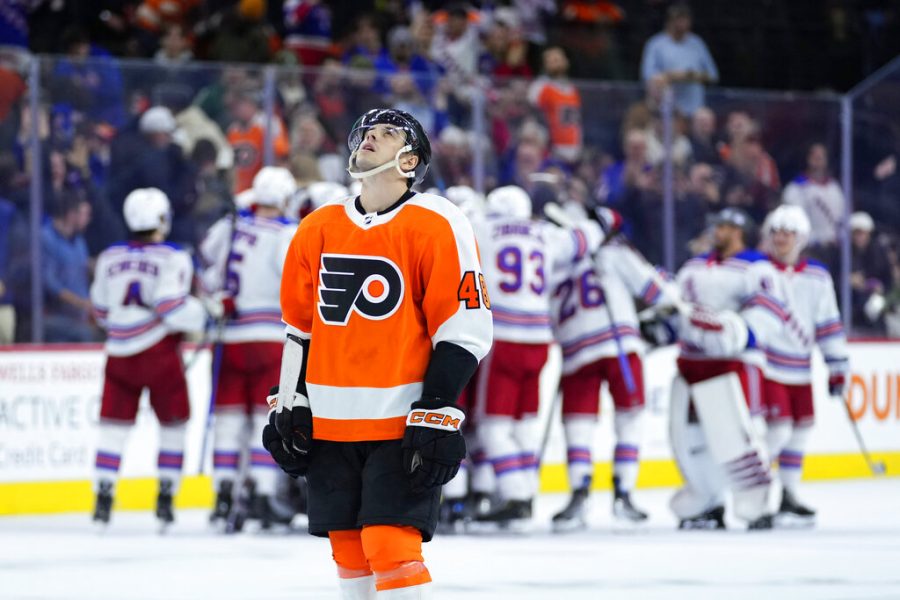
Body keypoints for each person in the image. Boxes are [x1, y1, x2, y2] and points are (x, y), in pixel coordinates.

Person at [262, 108, 493, 599]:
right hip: (330, 421)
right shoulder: (317, 226)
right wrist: (290, 401)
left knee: (390, 546)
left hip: (399, 420)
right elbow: (299, 330)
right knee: (347, 549)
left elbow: (464, 328)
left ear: (410, 161)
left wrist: (435, 410)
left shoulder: (437, 221)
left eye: (388, 134)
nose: (371, 137)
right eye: (368, 131)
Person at [469, 185, 609, 527]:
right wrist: (603, 220)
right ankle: (526, 489)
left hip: (501, 336)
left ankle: (516, 494)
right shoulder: (548, 235)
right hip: (539, 340)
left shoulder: (481, 228)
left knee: (493, 426)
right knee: (525, 422)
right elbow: (586, 237)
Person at [549, 208, 676, 530]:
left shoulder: (554, 261)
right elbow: (656, 292)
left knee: (578, 424)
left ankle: (579, 492)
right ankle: (624, 493)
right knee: (630, 419)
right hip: (619, 343)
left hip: (576, 349)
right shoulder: (615, 253)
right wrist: (658, 319)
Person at [89, 188, 208, 527]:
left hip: (118, 354)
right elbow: (171, 307)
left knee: (113, 429)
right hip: (159, 353)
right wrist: (205, 315)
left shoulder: (109, 256)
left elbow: (100, 310)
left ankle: (103, 496)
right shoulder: (174, 256)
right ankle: (166, 497)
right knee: (174, 425)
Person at [662, 207, 787, 530]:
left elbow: (770, 315)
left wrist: (733, 330)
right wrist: (662, 327)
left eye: (725, 226)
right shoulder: (691, 267)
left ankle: (754, 505)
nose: (717, 231)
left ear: (739, 230)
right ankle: (707, 499)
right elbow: (678, 312)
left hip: (733, 365)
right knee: (690, 437)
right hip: (691, 364)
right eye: (716, 225)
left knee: (739, 436)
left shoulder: (757, 268)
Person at [200, 166, 300, 529]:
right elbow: (298, 280)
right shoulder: (288, 233)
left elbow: (206, 266)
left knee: (227, 421)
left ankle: (223, 495)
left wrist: (218, 297)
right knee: (265, 417)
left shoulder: (229, 227)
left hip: (229, 337)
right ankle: (260, 495)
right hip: (271, 338)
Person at [759, 205, 848, 525]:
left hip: (800, 368)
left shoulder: (817, 277)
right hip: (767, 366)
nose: (781, 238)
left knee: (800, 430)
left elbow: (828, 322)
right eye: (776, 232)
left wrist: (837, 364)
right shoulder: (758, 271)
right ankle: (756, 496)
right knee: (777, 431)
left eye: (789, 232)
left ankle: (788, 495)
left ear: (802, 237)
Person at [639, 2, 718, 117]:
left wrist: (688, 76)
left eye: (685, 20)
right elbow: (647, 76)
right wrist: (670, 76)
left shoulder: (697, 43)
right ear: (669, 21)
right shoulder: (655, 44)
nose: (681, 24)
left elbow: (713, 75)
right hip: (666, 111)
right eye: (678, 19)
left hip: (695, 110)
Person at [41, 195, 96, 343]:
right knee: (86, 335)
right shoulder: (46, 238)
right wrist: (82, 303)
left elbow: (83, 267)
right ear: (72, 215)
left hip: (80, 318)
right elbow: (51, 284)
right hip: (55, 317)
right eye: (85, 214)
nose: (88, 219)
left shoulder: (79, 240)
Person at [782, 143, 845, 259]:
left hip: (834, 250)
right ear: (807, 158)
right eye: (814, 155)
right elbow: (793, 221)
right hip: (808, 249)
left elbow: (842, 219)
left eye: (821, 156)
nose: (818, 159)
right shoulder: (796, 188)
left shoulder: (834, 187)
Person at [527, 46, 583, 164]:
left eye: (557, 59)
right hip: (552, 149)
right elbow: (532, 111)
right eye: (550, 60)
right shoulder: (540, 87)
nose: (554, 63)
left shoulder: (572, 89)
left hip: (573, 147)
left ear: (565, 62)